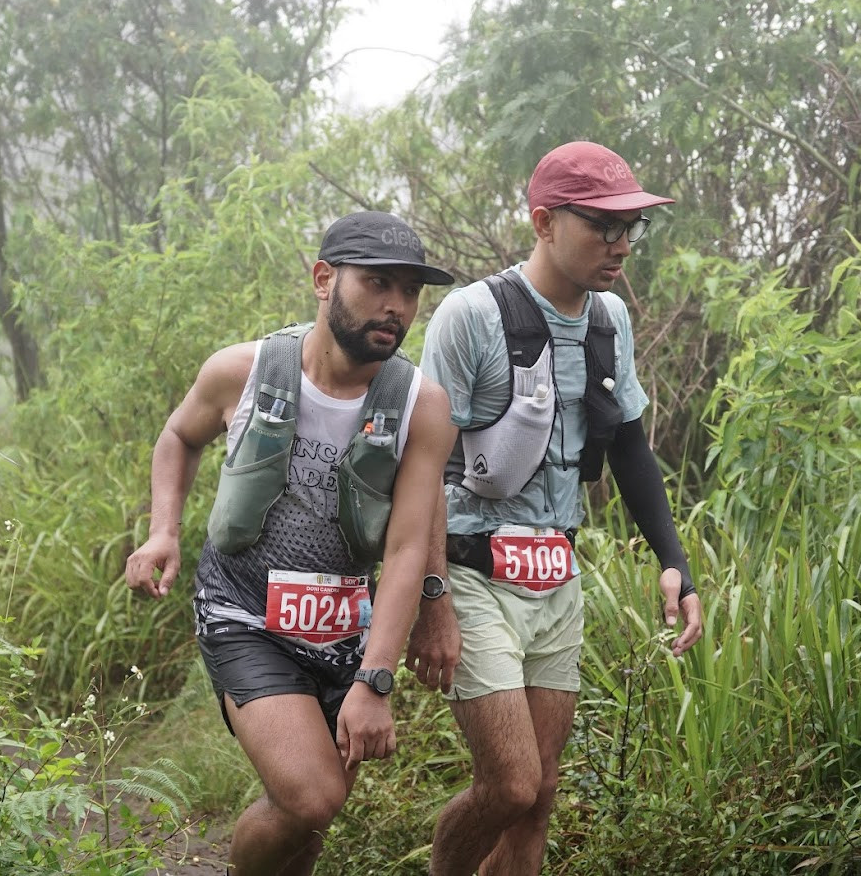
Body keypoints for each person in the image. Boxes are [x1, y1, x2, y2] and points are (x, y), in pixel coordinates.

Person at [125, 212, 457, 875]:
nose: (396, 306)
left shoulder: (422, 406)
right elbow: (180, 436)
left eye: (409, 291)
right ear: (324, 279)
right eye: (377, 283)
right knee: (313, 795)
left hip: (344, 624)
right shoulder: (242, 371)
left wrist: (375, 679)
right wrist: (164, 530)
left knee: (310, 823)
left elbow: (406, 549)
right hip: (243, 609)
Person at [406, 141, 705, 876]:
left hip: (555, 572)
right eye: (603, 225)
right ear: (544, 222)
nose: (621, 243)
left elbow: (629, 445)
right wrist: (431, 600)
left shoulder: (609, 319)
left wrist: (675, 563)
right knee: (510, 783)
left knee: (538, 798)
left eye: (630, 226)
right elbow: (422, 467)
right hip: (472, 570)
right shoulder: (471, 315)